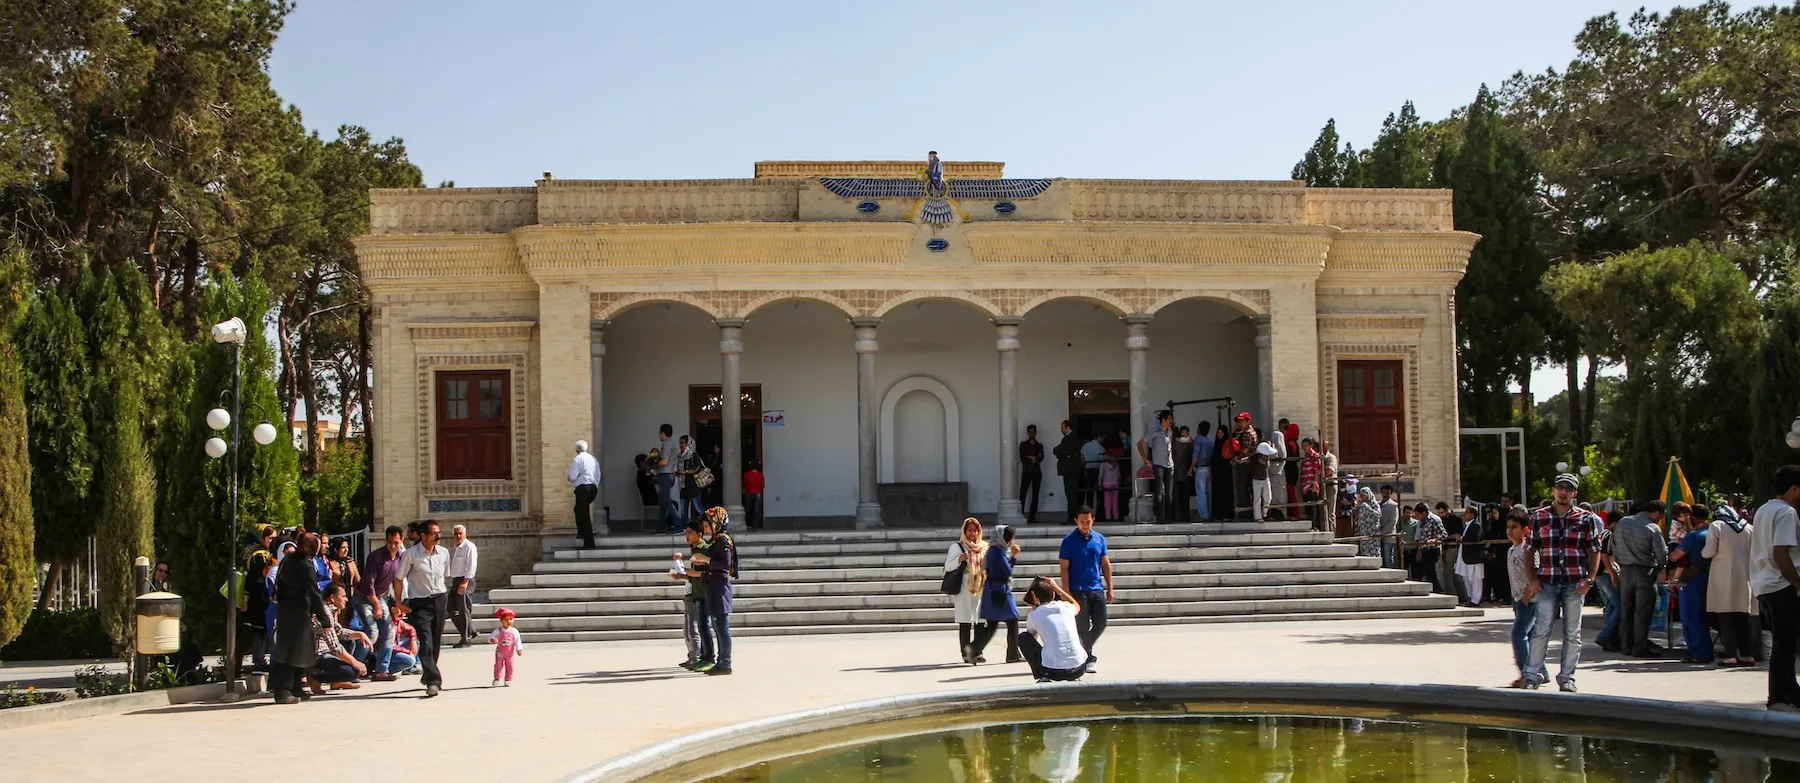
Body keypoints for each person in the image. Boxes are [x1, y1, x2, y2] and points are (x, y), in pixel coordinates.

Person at [1521, 473, 1604, 692]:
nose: (1563, 492)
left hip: (1575, 582)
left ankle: (1567, 678)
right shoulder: (1539, 517)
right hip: (1547, 581)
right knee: (1541, 629)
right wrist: (1531, 579)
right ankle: (1532, 675)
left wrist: (1589, 579)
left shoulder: (1585, 519)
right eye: (1560, 487)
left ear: (1574, 494)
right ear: (1553, 490)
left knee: (1572, 632)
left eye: (1568, 488)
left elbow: (1594, 551)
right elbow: (1529, 549)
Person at [1750, 465, 1800, 712]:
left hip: (1763, 584)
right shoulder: (1787, 513)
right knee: (1785, 642)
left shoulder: (1763, 510)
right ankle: (1779, 696)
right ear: (1793, 488)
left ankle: (1790, 691)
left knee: (1785, 641)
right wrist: (1798, 584)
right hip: (1782, 584)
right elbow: (1781, 552)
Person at [271, 533, 332, 705]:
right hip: (297, 611)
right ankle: (282, 690)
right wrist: (325, 620)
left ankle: (296, 687)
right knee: (292, 650)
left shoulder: (288, 560)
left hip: (287, 610)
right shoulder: (305, 565)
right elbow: (313, 592)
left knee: (301, 650)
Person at [394, 519, 451, 697]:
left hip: (440, 600)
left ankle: (428, 675)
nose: (438, 536)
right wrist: (398, 602)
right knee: (425, 641)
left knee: (435, 642)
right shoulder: (411, 555)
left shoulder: (444, 553)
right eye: (434, 533)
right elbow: (398, 579)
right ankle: (434, 681)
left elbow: (445, 575)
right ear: (423, 536)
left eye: (438, 532)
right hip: (420, 603)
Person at [1057, 507, 1112, 674]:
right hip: (1077, 590)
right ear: (1076, 521)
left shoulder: (1099, 539)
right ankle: (1088, 657)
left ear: (1093, 520)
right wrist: (1066, 591)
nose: (1085, 525)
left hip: (1096, 588)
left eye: (1088, 521)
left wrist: (1110, 587)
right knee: (1082, 626)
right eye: (1082, 522)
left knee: (1101, 623)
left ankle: (1081, 650)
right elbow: (1064, 568)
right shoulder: (1068, 541)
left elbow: (1105, 564)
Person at [1703, 503, 1758, 666]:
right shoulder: (1749, 528)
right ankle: (1748, 655)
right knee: (1743, 618)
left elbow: (1709, 552)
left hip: (1723, 576)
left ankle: (1731, 655)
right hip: (1745, 577)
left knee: (1725, 617)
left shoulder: (1717, 526)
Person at [1613, 500, 1669, 659]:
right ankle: (1640, 647)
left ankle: (1626, 646)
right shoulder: (1652, 528)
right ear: (1657, 513)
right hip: (1645, 571)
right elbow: (1661, 554)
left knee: (1626, 610)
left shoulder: (1623, 522)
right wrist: (1659, 568)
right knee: (1643, 612)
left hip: (1625, 571)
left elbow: (1614, 546)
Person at [354, 525, 404, 682]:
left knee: (389, 631)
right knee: (372, 633)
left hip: (381, 597)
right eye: (390, 542)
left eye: (396, 542)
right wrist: (376, 605)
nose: (393, 546)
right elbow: (369, 584)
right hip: (365, 598)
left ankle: (382, 669)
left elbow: (398, 582)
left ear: (401, 540)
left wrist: (398, 603)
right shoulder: (376, 557)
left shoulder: (401, 558)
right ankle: (354, 668)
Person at [968, 525, 1023, 664]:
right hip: (1000, 590)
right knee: (1012, 620)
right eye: (1011, 538)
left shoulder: (995, 550)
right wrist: (1014, 557)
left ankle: (973, 648)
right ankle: (1012, 654)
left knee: (992, 623)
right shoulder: (998, 551)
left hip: (993, 590)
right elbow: (1007, 570)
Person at [692, 506, 737, 675]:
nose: (706, 530)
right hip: (713, 585)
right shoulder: (717, 540)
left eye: (707, 526)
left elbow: (725, 565)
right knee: (718, 627)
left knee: (722, 628)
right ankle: (721, 661)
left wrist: (706, 559)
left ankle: (725, 662)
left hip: (719, 587)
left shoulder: (723, 540)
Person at [1019, 577, 1088, 683]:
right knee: (1073, 633)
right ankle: (1074, 676)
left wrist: (1035, 609)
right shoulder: (1066, 607)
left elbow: (1031, 636)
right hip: (1079, 668)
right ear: (1054, 594)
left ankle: (1042, 676)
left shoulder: (1034, 615)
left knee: (1023, 638)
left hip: (1053, 672)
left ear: (1035, 597)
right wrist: (1057, 587)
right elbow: (1077, 605)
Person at [1504, 510, 1544, 688]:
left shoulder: (1528, 550)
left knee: (1518, 635)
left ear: (1525, 530)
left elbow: (1536, 575)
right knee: (1531, 635)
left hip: (1530, 600)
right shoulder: (1512, 549)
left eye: (1515, 527)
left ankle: (1527, 674)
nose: (1510, 531)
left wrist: (1527, 597)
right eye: (1508, 527)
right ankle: (1541, 670)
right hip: (1518, 598)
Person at [1670, 504, 1713, 663]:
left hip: (1692, 580)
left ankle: (1698, 652)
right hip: (1709, 577)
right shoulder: (1713, 532)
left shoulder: (1693, 536)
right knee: (1703, 616)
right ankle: (1704, 650)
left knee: (1691, 616)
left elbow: (1675, 556)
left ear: (1692, 516)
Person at [945, 517, 990, 663]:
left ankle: (977, 652)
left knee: (980, 620)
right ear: (964, 531)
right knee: (965, 621)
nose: (972, 533)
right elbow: (948, 566)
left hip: (980, 586)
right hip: (964, 586)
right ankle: (965, 653)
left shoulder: (984, 547)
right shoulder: (957, 547)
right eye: (969, 530)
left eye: (975, 530)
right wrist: (960, 559)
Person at [313, 584, 372, 692]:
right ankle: (314, 678)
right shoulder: (324, 612)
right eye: (343, 596)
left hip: (326, 652)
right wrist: (354, 662)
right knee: (352, 671)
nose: (346, 599)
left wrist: (359, 634)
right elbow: (334, 645)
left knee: (350, 642)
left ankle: (337, 681)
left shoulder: (330, 610)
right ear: (332, 598)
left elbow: (338, 631)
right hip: (317, 655)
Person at [673, 521, 708, 669]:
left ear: (699, 534)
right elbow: (694, 575)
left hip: (699, 593)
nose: (686, 535)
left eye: (690, 532)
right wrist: (682, 576)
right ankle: (693, 655)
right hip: (691, 591)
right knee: (688, 628)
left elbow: (704, 574)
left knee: (696, 628)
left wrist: (688, 573)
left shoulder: (704, 550)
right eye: (686, 532)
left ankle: (698, 656)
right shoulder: (694, 550)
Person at [1593, 512, 1624, 652]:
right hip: (1605, 574)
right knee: (1620, 605)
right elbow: (1604, 555)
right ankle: (1605, 636)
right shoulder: (1609, 535)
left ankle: (1609, 636)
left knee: (1611, 605)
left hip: (1598, 575)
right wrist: (1613, 574)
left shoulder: (1601, 533)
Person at [1137, 410, 1176, 523]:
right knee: (1159, 491)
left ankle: (1169, 517)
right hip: (1158, 464)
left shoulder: (1170, 432)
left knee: (1169, 492)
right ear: (1163, 420)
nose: (1171, 421)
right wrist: (1146, 461)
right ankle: (1160, 517)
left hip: (1169, 464)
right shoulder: (1154, 431)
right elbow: (1139, 444)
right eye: (1169, 419)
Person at [448, 524, 480, 648]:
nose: (458, 536)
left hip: (466, 580)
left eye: (460, 533)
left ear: (465, 534)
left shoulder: (469, 547)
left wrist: (465, 582)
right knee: (450, 608)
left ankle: (466, 638)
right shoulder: (457, 548)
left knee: (463, 609)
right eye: (456, 533)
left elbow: (471, 566)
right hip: (456, 581)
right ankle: (470, 631)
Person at [244, 551, 273, 672]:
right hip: (259, 602)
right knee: (259, 632)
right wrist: (245, 601)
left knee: (266, 632)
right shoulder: (259, 558)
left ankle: (262, 660)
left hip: (267, 601)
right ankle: (259, 661)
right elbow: (250, 582)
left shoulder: (272, 557)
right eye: (270, 538)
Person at [568, 440, 600, 549]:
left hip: (583, 488)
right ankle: (581, 532)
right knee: (578, 510)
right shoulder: (593, 459)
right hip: (593, 488)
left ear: (576, 449)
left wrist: (570, 478)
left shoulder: (578, 459)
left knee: (583, 514)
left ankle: (589, 542)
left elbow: (572, 476)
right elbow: (598, 474)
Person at [1411, 503, 1446, 593]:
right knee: (1424, 572)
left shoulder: (1435, 520)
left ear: (1423, 513)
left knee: (1432, 572)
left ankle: (1439, 591)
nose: (1417, 517)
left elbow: (1443, 534)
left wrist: (1434, 540)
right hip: (1424, 549)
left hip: (1433, 550)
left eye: (1418, 515)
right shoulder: (1422, 522)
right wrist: (1419, 551)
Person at [1228, 413, 1257, 520]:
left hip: (1245, 464)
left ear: (1248, 421)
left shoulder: (1248, 433)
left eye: (1242, 421)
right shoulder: (1245, 432)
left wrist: (1236, 457)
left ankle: (1244, 513)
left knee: (1242, 489)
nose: (1239, 424)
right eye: (1238, 421)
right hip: (1249, 464)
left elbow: (1245, 450)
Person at [1053, 421, 1083, 524]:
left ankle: (1073, 517)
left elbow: (1060, 450)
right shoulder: (1070, 439)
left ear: (1068, 427)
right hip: (1070, 470)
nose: (1061, 430)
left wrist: (1058, 450)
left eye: (1062, 427)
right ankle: (1072, 516)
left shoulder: (1071, 438)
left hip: (1070, 470)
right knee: (1070, 493)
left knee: (1071, 494)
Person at [1456, 506, 1486, 607]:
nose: (1465, 515)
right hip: (1467, 557)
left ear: (1472, 514)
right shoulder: (1468, 525)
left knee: (1476, 579)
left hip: (1474, 557)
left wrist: (1462, 539)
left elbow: (1474, 538)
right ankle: (1471, 597)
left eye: (1467, 513)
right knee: (1467, 577)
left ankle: (1476, 599)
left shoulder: (1476, 525)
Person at [489, 608, 524, 686]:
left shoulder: (514, 631)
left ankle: (508, 679)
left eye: (511, 619)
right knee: (498, 665)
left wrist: (519, 649)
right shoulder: (498, 630)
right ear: (502, 620)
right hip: (500, 653)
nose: (509, 622)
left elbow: (518, 641)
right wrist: (492, 639)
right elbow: (491, 636)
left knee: (510, 666)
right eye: (506, 620)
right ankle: (497, 678)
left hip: (510, 653)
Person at [656, 424, 679, 534]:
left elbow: (664, 462)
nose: (659, 435)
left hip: (665, 475)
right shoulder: (671, 444)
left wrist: (654, 463)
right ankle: (662, 527)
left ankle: (678, 524)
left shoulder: (666, 444)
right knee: (662, 502)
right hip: (668, 475)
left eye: (659, 432)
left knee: (666, 502)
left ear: (663, 433)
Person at [1020, 424, 1044, 524]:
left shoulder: (1039, 445)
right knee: (1023, 494)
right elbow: (1022, 457)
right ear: (1028, 433)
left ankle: (1032, 517)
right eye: (1030, 432)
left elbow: (1041, 457)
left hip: (1036, 472)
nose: (1032, 434)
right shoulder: (1023, 444)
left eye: (1033, 432)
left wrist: (1033, 458)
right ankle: (1020, 514)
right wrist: (1033, 458)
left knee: (1035, 495)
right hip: (1026, 471)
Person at [1298, 438, 1323, 531]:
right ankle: (1310, 526)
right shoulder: (1305, 457)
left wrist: (1314, 484)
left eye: (1306, 446)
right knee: (1308, 506)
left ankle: (1315, 526)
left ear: (1311, 445)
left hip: (1311, 485)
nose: (1304, 448)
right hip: (1305, 485)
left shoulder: (1315, 456)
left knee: (1313, 506)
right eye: (1303, 446)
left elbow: (1317, 471)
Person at [1191, 421, 1214, 522]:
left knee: (1201, 492)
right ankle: (1209, 513)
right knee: (1209, 492)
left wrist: (1191, 467)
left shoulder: (1198, 440)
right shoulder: (1210, 441)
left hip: (1200, 468)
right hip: (1209, 467)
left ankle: (1203, 514)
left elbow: (1195, 455)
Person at [1172, 426, 1195, 524]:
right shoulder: (1190, 443)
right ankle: (1186, 516)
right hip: (1186, 473)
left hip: (1176, 473)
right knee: (1185, 497)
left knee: (1177, 497)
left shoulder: (1174, 444)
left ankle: (1178, 516)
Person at [1210, 425, 1233, 521]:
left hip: (1226, 474)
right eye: (1218, 433)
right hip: (1217, 474)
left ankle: (1227, 514)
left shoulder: (1227, 443)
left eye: (1221, 433)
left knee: (1226, 493)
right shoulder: (1216, 444)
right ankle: (1218, 514)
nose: (1220, 435)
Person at [1079, 432, 1105, 518]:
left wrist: (1084, 466)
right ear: (1100, 437)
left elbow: (1081, 458)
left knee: (1088, 493)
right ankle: (1099, 514)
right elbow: (1102, 460)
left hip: (1088, 469)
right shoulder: (1101, 448)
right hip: (1098, 470)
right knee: (1099, 492)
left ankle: (1087, 514)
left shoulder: (1085, 446)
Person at [1097, 440, 1122, 522]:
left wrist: (1099, 484)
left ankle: (1108, 517)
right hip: (1115, 483)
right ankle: (1116, 516)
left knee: (1107, 502)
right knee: (1115, 501)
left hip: (1106, 484)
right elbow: (1118, 475)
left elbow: (1101, 475)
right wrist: (1119, 483)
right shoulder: (1116, 464)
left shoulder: (1103, 464)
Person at [1250, 441, 1276, 522]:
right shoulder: (1254, 458)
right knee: (1257, 499)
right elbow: (1246, 460)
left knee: (1268, 497)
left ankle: (1265, 511)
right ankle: (1258, 517)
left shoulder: (1267, 457)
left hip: (1266, 479)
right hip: (1256, 480)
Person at [1352, 488, 1381, 559]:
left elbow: (1378, 515)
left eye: (1363, 495)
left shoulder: (1374, 504)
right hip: (1363, 532)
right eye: (1361, 496)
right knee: (1364, 552)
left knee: (1373, 553)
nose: (1362, 497)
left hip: (1372, 533)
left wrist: (1367, 507)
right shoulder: (1361, 504)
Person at [1377, 486, 1400, 570]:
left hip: (1389, 536)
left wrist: (1382, 532)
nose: (1385, 495)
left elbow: (1393, 522)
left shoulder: (1393, 505)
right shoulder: (1377, 504)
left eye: (1387, 493)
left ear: (1391, 494)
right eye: (1384, 492)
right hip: (1377, 536)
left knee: (1389, 559)